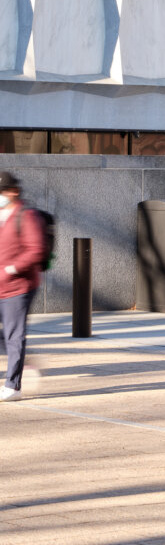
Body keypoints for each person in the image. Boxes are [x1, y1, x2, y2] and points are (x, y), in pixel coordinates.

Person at [0, 172, 44, 401]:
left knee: (14, 335)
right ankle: (24, 363)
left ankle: (13, 386)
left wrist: (10, 270)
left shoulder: (27, 216)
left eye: (2, 192)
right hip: (1, 287)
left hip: (18, 287)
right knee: (7, 335)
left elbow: (35, 250)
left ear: (13, 192)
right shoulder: (1, 215)